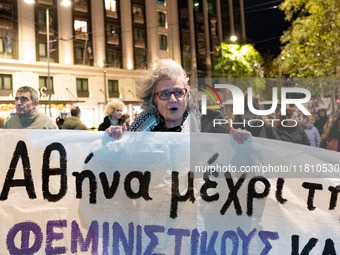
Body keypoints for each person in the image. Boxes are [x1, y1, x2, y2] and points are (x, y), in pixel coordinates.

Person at [105, 58, 250, 143]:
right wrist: (115, 137)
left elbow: (232, 155)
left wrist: (238, 137)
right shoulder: (140, 127)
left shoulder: (211, 121)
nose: (173, 99)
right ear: (154, 100)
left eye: (179, 92)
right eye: (165, 93)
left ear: (187, 96)